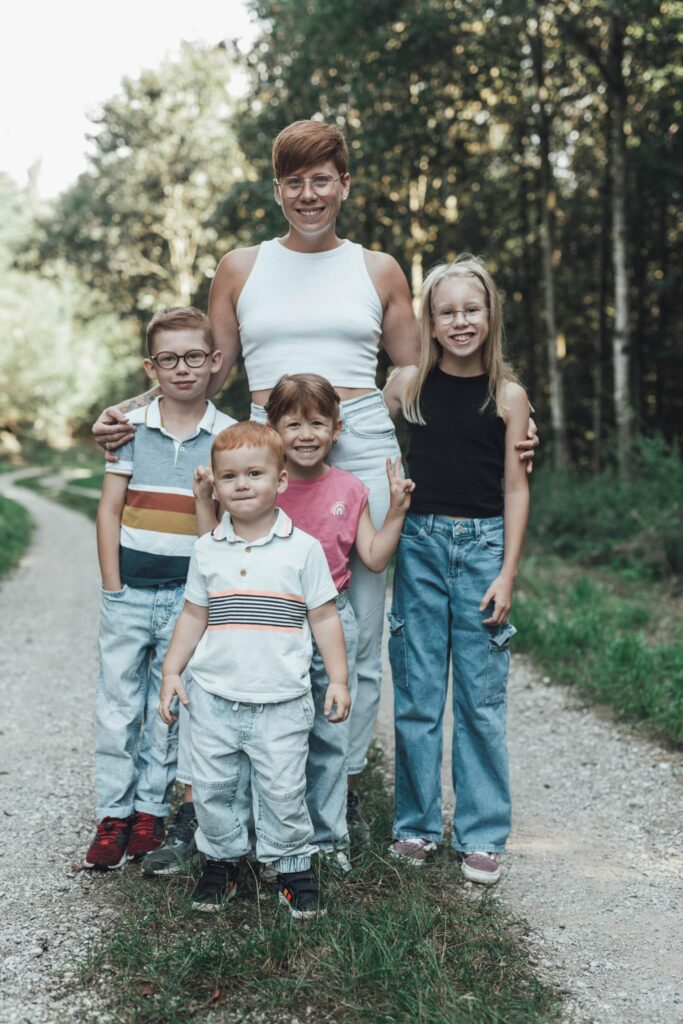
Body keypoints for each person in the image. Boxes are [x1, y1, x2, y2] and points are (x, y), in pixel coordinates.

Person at [92, 120, 539, 838]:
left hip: (357, 442)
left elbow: (415, 375)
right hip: (265, 451)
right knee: (249, 609)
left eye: (321, 178)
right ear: (277, 190)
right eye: (294, 181)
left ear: (344, 184)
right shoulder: (240, 267)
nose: (309, 194)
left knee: (354, 630)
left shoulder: (379, 269)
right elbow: (210, 370)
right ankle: (232, 780)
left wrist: (504, 417)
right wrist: (131, 407)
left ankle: (336, 783)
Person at [159, 421, 350, 917]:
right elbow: (194, 615)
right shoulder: (207, 550)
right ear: (215, 486)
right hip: (215, 699)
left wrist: (340, 679)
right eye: (230, 477)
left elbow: (324, 617)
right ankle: (221, 862)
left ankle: (292, 866)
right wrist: (172, 671)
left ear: (280, 481)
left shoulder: (302, 549)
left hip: (282, 701)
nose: (242, 484)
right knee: (215, 789)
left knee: (284, 789)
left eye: (254, 474)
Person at [382, 254, 530, 885]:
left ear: (490, 314)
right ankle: (415, 825)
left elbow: (518, 490)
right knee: (417, 693)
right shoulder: (407, 386)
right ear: (431, 321)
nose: (461, 321)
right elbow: (356, 432)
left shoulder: (509, 396)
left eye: (472, 309)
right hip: (418, 543)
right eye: (447, 312)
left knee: (480, 698)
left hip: (482, 548)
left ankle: (482, 833)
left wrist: (508, 573)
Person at [84, 307, 235, 871]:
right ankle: (113, 813)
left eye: (194, 356)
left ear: (214, 361)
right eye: (168, 359)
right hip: (129, 592)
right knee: (119, 704)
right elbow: (109, 509)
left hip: (186, 600)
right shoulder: (129, 428)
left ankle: (151, 810)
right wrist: (112, 584)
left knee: (167, 705)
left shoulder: (226, 437)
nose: (182, 369)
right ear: (152, 366)